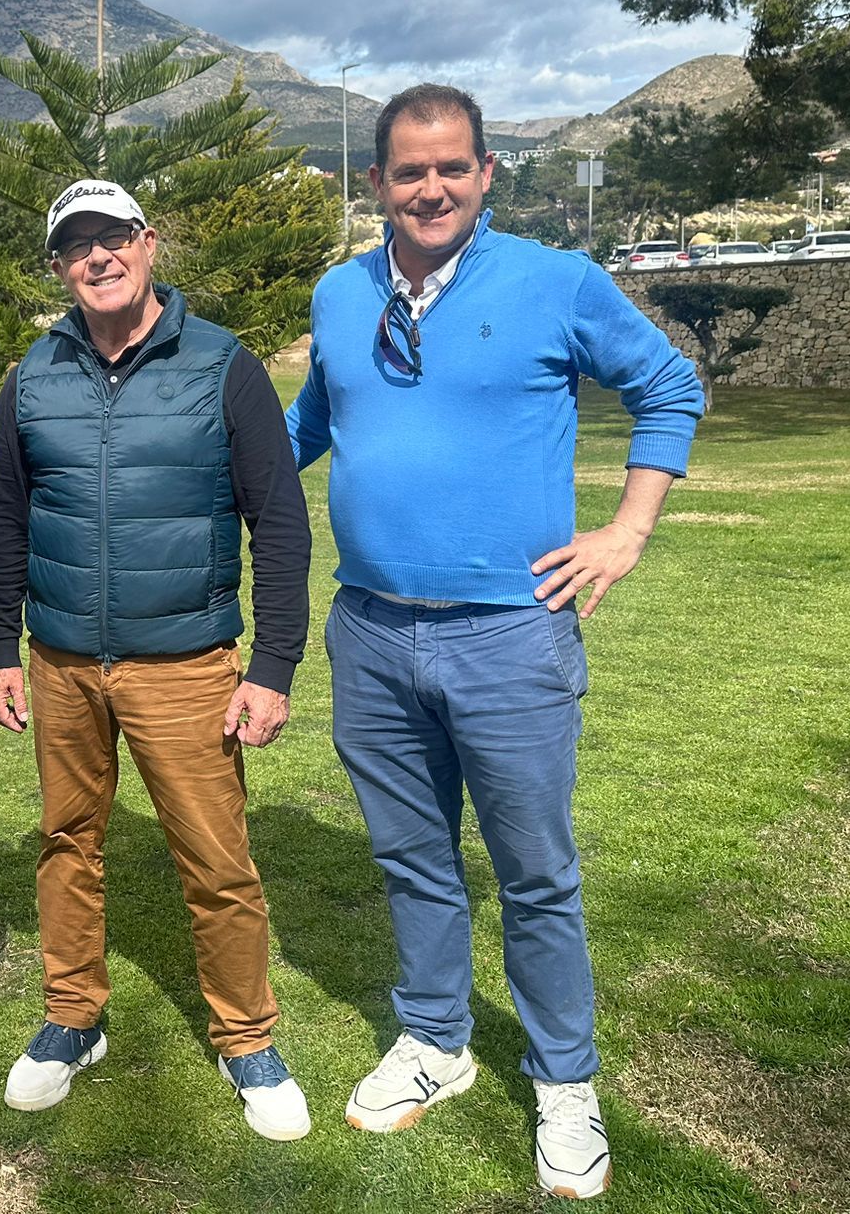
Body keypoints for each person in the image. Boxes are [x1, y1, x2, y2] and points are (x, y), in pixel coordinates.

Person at [286, 84, 704, 1200]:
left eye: (450, 168)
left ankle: (564, 1082)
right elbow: (307, 432)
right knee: (409, 858)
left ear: (483, 175)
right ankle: (434, 1041)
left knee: (534, 875)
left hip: (509, 637)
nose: (429, 188)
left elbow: (668, 385)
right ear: (373, 182)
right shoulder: (339, 292)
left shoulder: (554, 282)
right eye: (407, 171)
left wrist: (624, 531)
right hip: (369, 632)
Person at [0, 178, 315, 1141]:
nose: (97, 256)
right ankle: (73, 1018)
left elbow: (279, 524)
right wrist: (2, 647)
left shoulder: (223, 366)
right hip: (63, 661)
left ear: (149, 242)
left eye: (113, 236)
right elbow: (4, 522)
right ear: (59, 266)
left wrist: (273, 666)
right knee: (65, 842)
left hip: (187, 665)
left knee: (215, 858)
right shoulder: (31, 375)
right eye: (76, 245)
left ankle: (246, 1037)